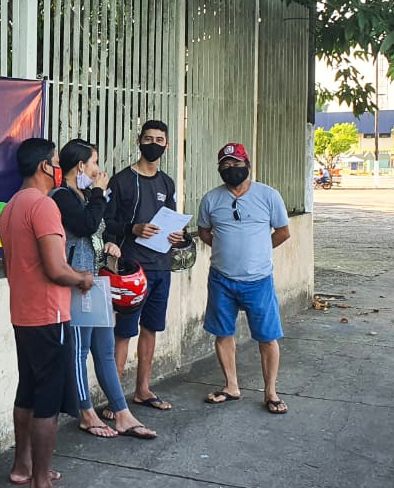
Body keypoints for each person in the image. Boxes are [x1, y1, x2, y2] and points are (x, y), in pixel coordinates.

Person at [0, 138, 94, 488]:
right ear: (44, 166)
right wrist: (82, 278)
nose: (59, 168)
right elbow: (56, 269)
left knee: (27, 390)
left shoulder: (11, 207)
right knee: (47, 401)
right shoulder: (43, 206)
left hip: (23, 313)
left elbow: (12, 266)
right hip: (48, 315)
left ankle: (22, 466)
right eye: (56, 162)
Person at [50, 140, 157, 440]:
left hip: (97, 283)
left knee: (105, 350)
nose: (98, 170)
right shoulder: (61, 197)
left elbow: (99, 229)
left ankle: (122, 412)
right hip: (77, 284)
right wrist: (98, 193)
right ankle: (86, 413)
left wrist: (110, 244)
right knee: (79, 351)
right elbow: (85, 225)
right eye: (94, 162)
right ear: (80, 166)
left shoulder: (85, 196)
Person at [197, 142, 292, 414]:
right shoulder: (211, 199)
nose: (231, 168)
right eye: (225, 165)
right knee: (222, 333)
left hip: (259, 281)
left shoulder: (268, 195)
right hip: (221, 279)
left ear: (247, 165)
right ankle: (231, 386)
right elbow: (204, 232)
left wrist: (259, 250)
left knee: (267, 337)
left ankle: (271, 392)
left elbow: (283, 232)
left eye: (236, 163)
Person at [101, 120, 185, 412]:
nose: (153, 144)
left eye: (159, 140)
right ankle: (114, 400)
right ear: (138, 141)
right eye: (148, 138)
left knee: (151, 328)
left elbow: (172, 222)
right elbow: (106, 223)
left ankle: (143, 390)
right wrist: (132, 229)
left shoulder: (167, 183)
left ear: (167, 145)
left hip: (161, 267)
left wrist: (178, 237)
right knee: (124, 333)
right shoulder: (121, 180)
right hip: (131, 272)